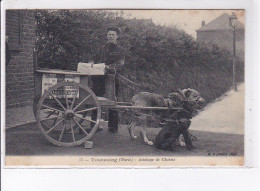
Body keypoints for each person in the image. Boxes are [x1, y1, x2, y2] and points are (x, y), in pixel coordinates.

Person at [91, 27, 125, 133]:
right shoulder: (101, 48)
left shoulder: (121, 50)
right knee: (95, 99)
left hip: (112, 79)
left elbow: (120, 64)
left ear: (117, 37)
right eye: (109, 34)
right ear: (106, 36)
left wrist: (108, 67)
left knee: (112, 101)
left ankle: (112, 127)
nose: (110, 36)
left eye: (113, 35)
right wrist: (91, 63)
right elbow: (93, 59)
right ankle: (94, 125)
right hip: (98, 78)